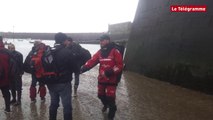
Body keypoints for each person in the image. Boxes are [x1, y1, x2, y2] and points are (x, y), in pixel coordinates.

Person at [80, 34, 124, 120]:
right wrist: (82, 69)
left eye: (102, 40)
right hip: (101, 78)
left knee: (111, 98)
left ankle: (111, 114)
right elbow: (92, 61)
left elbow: (120, 65)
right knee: (100, 95)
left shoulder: (115, 51)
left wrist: (109, 72)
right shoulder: (100, 52)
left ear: (108, 40)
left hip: (112, 79)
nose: (100, 42)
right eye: (100, 40)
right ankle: (105, 105)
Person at [46, 32, 77, 120]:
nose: (68, 42)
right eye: (67, 40)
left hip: (51, 82)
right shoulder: (67, 52)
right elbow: (75, 68)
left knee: (53, 104)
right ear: (64, 41)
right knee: (67, 106)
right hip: (64, 83)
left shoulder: (49, 51)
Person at [0, 36, 15, 113]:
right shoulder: (8, 52)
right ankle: (8, 108)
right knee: (6, 93)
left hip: (4, 77)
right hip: (5, 78)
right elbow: (12, 66)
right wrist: (11, 77)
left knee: (6, 93)